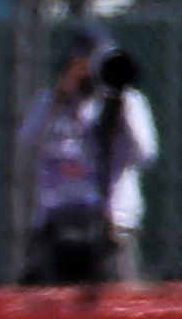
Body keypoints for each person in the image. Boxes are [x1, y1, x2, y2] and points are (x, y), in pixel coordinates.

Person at [18, 27, 158, 287]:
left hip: (112, 224)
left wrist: (120, 101)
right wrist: (61, 95)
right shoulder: (48, 102)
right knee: (50, 313)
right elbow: (28, 140)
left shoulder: (130, 103)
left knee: (117, 310)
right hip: (56, 221)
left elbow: (145, 153)